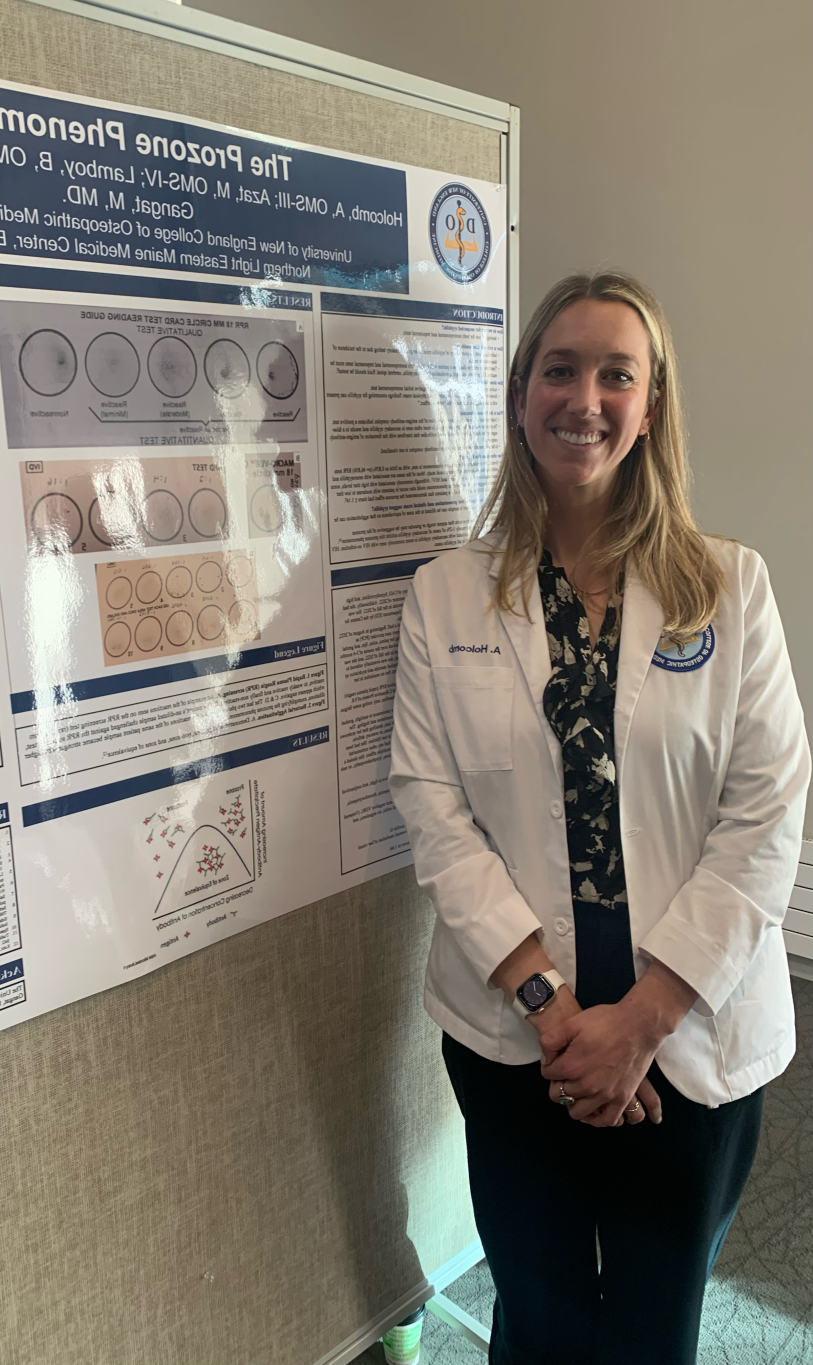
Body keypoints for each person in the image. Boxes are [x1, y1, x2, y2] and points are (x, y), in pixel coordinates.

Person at [388, 270, 810, 1365]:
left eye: (616, 373)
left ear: (651, 404)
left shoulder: (730, 586)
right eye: (559, 370)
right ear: (521, 394)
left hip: (686, 1044)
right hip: (513, 1037)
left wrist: (642, 1020)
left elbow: (766, 814)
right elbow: (431, 807)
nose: (585, 398)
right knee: (535, 1318)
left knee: (649, 1333)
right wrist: (550, 1005)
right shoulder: (447, 593)